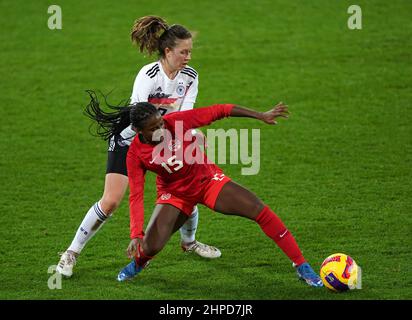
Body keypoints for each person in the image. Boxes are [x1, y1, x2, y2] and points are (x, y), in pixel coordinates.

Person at [84, 93, 323, 287]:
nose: (161, 129)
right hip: (174, 195)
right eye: (154, 128)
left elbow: (220, 110)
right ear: (139, 132)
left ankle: (301, 265)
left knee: (258, 209)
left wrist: (260, 115)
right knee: (150, 246)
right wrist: (135, 233)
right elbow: (136, 194)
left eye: (160, 123)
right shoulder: (135, 154)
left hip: (208, 182)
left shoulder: (175, 121)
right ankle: (139, 263)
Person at [56, 16, 221, 278]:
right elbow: (139, 116)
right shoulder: (149, 75)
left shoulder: (190, 77)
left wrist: (190, 136)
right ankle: (71, 252)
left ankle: (189, 243)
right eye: (184, 52)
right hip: (133, 139)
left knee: (188, 190)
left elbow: (186, 114)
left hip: (165, 138)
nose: (189, 57)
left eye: (190, 51)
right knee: (110, 201)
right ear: (168, 51)